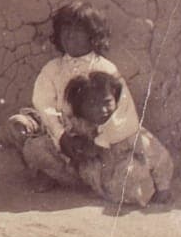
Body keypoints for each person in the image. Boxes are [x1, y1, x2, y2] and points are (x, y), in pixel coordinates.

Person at [0, 1, 141, 193]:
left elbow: (121, 113)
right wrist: (61, 136)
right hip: (59, 135)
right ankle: (48, 172)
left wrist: (97, 143)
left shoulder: (106, 70)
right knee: (21, 129)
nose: (70, 35)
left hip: (94, 141)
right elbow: (44, 105)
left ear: (93, 36)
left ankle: (74, 177)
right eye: (65, 29)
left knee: (102, 165)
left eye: (78, 30)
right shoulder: (53, 69)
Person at [62, 71, 174, 207]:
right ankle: (103, 192)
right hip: (103, 177)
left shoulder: (126, 129)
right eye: (92, 104)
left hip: (124, 176)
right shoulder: (81, 125)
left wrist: (163, 188)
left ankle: (131, 196)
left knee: (132, 174)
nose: (102, 110)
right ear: (80, 108)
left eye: (107, 102)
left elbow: (158, 156)